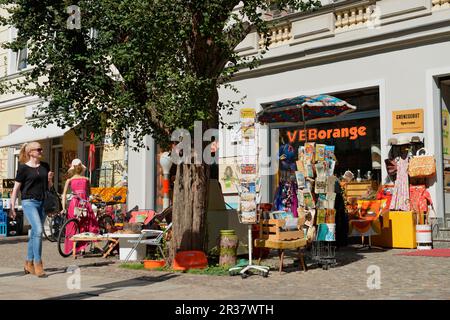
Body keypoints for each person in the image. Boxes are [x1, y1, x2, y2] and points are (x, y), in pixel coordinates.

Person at [10, 141, 54, 277]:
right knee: (39, 231)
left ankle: (28, 263)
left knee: (35, 233)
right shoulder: (23, 168)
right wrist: (12, 206)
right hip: (29, 202)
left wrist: (50, 179)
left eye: (41, 149)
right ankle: (38, 263)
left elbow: (49, 187)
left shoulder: (45, 166)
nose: (41, 151)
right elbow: (16, 189)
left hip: (42, 202)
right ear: (31, 152)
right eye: (38, 149)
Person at [61, 159, 99, 256]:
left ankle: (73, 248)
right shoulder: (86, 179)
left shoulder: (69, 180)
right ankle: (82, 248)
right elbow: (90, 194)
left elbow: (64, 195)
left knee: (73, 225)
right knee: (85, 224)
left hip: (74, 202)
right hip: (84, 202)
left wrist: (63, 207)